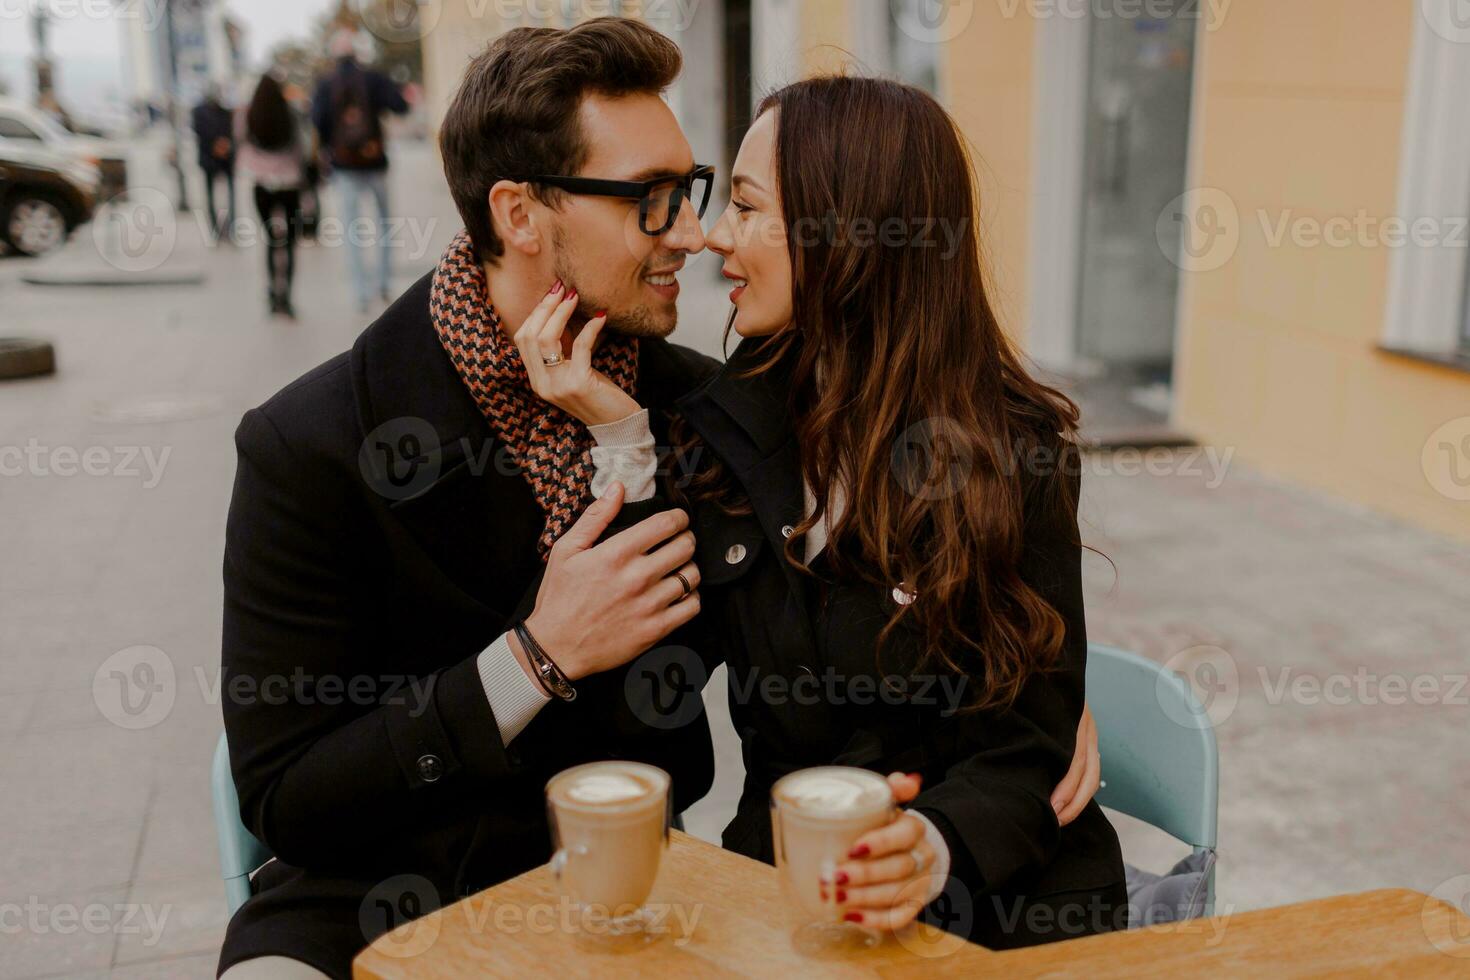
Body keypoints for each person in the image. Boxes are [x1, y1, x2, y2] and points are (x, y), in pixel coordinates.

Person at [510, 73, 1123, 948]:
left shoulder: (1011, 451)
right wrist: (619, 439)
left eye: (750, 208)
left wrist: (933, 847)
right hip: (785, 903)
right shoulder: (723, 430)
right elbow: (653, 696)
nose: (716, 235)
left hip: (1000, 908)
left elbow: (1029, 745)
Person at [216, 21, 714, 979]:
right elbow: (287, 797)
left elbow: (690, 732)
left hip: (609, 883)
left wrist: (624, 446)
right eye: (650, 201)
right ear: (520, 215)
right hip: (365, 895)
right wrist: (536, 659)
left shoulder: (679, 403)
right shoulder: (307, 442)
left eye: (687, 193)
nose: (689, 233)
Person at [311, 30, 409, 313]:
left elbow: (316, 120)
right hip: (374, 162)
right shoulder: (373, 77)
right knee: (383, 225)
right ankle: (384, 283)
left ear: (334, 55)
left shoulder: (326, 83)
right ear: (356, 53)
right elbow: (400, 106)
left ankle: (360, 292)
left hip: (344, 167)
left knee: (352, 228)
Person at [236, 73, 306, 318]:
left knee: (270, 238)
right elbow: (301, 146)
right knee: (289, 242)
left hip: (261, 184)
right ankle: (286, 294)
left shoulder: (247, 114)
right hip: (290, 183)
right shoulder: (290, 113)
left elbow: (240, 142)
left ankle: (271, 292)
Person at [191, 85, 235, 243]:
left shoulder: (226, 112)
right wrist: (215, 145)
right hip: (209, 157)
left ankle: (231, 227)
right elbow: (199, 131)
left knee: (230, 195)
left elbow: (231, 131)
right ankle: (215, 228)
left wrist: (224, 145)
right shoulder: (198, 112)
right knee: (210, 195)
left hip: (226, 158)